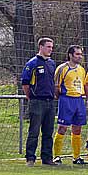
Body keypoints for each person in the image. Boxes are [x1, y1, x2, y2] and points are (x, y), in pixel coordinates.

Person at [21, 37, 57, 166]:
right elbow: (25, 83)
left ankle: (47, 158)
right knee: (34, 131)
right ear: (41, 47)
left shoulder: (52, 63)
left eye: (52, 47)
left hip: (50, 102)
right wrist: (31, 97)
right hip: (37, 101)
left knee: (48, 131)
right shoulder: (32, 63)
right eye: (48, 47)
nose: (50, 50)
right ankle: (30, 158)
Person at [53, 45, 87, 165]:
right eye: (77, 54)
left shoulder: (82, 70)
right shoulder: (62, 68)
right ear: (70, 55)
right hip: (66, 100)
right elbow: (56, 86)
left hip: (78, 100)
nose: (80, 57)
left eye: (81, 54)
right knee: (62, 128)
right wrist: (61, 97)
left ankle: (76, 157)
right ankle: (56, 156)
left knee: (77, 129)